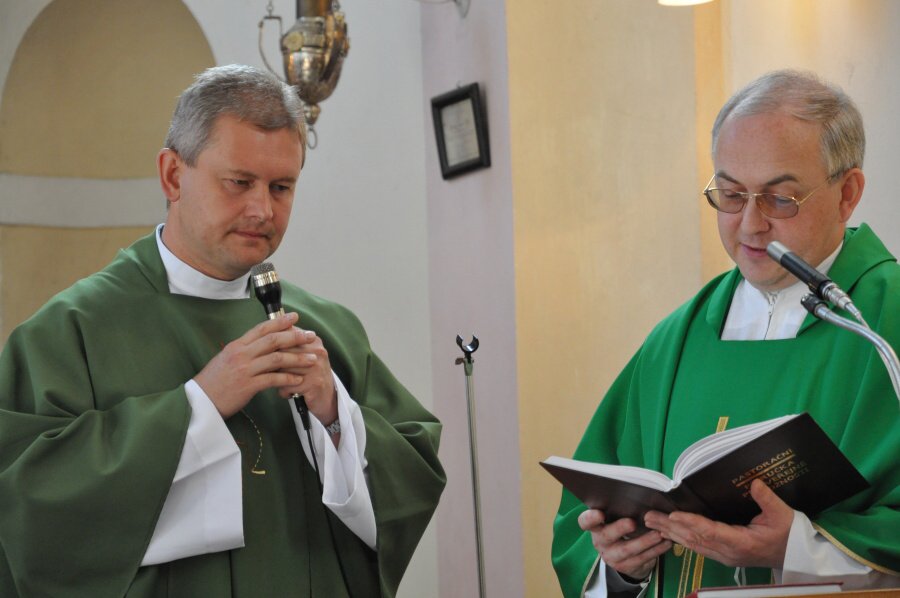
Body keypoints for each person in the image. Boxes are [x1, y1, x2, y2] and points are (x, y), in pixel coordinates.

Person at [0, 64, 445, 597]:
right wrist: (199, 405)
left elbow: (412, 476)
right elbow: (29, 507)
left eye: (282, 187)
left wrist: (334, 415)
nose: (263, 210)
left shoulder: (330, 330)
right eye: (239, 183)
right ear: (173, 176)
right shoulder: (71, 331)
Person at [552, 69, 900, 597]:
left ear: (847, 193)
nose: (750, 225)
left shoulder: (885, 326)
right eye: (731, 194)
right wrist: (621, 567)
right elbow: (582, 528)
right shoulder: (676, 340)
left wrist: (796, 548)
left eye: (780, 198)